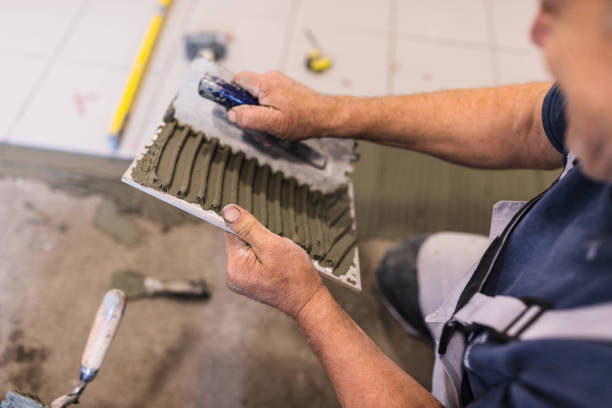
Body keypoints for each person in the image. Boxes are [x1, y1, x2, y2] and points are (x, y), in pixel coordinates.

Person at [219, 0, 612, 406]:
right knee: (402, 267)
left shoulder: (587, 379)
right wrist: (330, 113)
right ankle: (482, 320)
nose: (535, 34)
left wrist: (306, 302)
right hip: (541, 285)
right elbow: (529, 121)